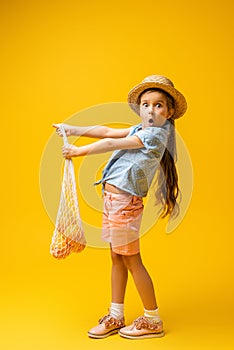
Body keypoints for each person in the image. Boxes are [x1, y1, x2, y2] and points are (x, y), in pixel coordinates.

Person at [53, 75, 187, 340]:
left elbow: (112, 144)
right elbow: (106, 132)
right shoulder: (141, 129)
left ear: (170, 112)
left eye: (159, 105)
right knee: (117, 257)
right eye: (146, 104)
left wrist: (79, 152)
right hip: (115, 202)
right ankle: (116, 315)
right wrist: (73, 128)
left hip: (124, 204)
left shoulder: (156, 136)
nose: (151, 109)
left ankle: (152, 319)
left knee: (131, 259)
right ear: (139, 109)